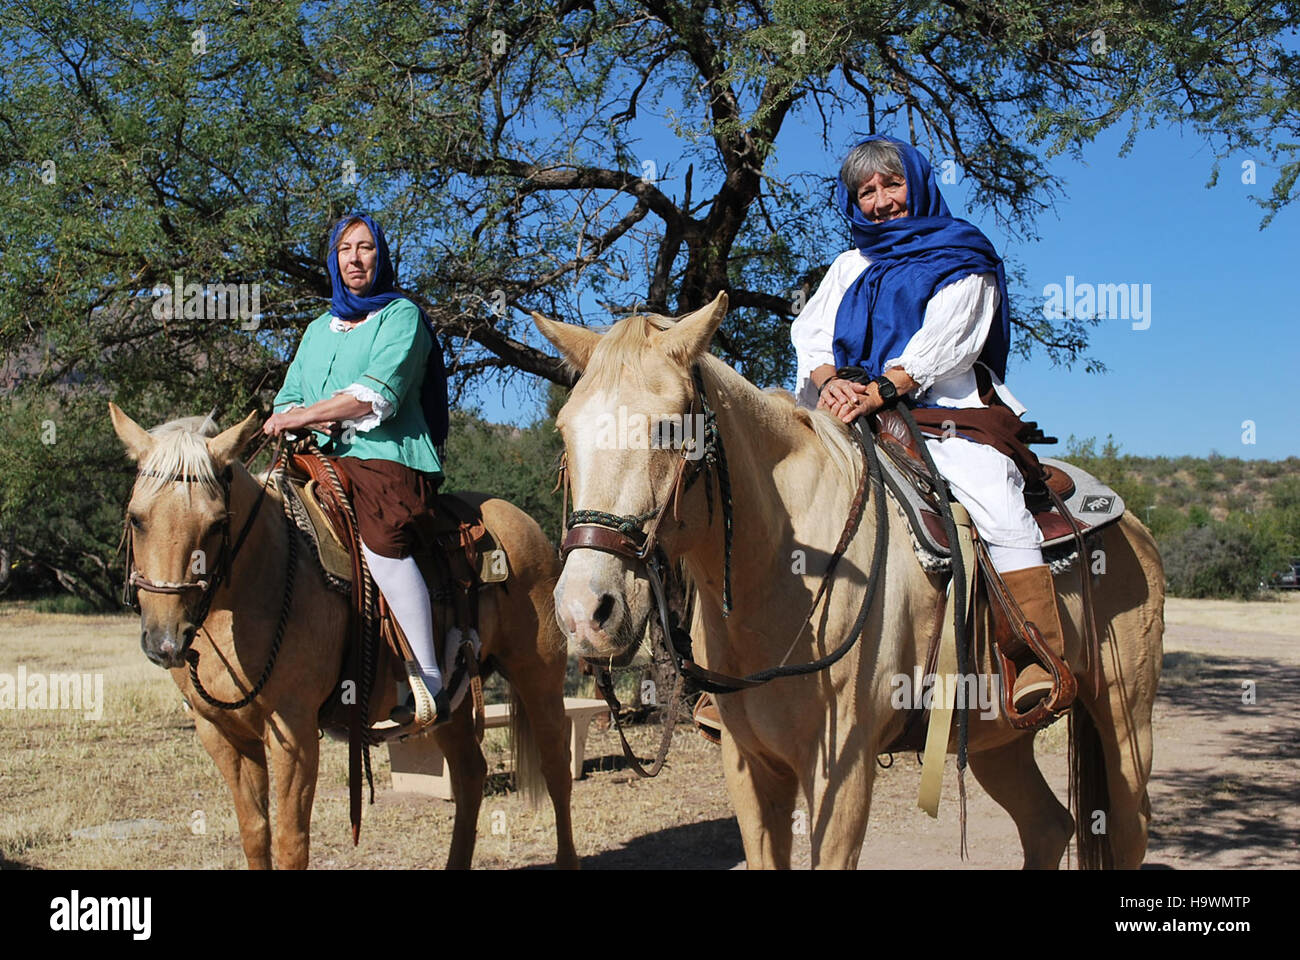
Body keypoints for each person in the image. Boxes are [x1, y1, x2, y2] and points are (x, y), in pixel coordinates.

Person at [791, 134, 1065, 713]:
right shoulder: (849, 265)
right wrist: (830, 380)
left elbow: (951, 337)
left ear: (917, 182)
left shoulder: (962, 253)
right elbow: (811, 333)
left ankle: (1035, 656)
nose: (881, 200)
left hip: (941, 410)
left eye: (892, 184)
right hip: (842, 404)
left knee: (994, 497)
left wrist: (884, 388)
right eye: (866, 192)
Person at [263, 214, 449, 727]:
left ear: (380, 256)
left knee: (380, 542)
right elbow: (289, 396)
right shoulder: (316, 330)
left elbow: (377, 394)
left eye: (365, 247)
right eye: (345, 249)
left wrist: (304, 415)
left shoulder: (401, 316)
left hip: (385, 457)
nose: (354, 258)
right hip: (320, 460)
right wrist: (290, 417)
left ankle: (429, 678)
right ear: (333, 260)